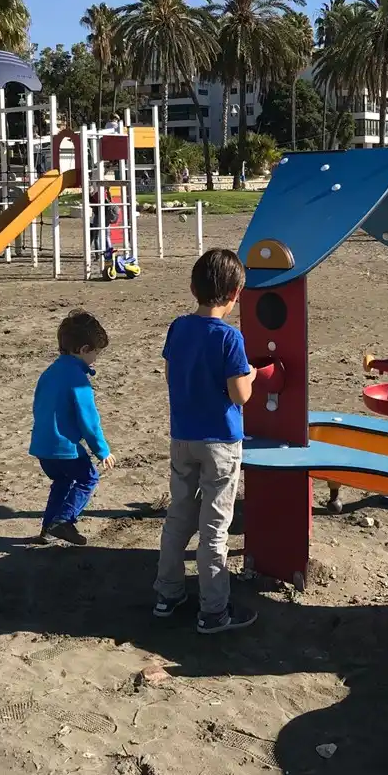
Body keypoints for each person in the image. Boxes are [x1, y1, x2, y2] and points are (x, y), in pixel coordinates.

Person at [153, 249, 258, 633]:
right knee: (215, 527)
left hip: (183, 436)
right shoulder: (231, 338)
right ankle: (213, 610)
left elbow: (170, 374)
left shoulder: (178, 327)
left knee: (178, 515)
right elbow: (239, 394)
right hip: (220, 443)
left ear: (193, 288)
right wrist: (252, 374)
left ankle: (168, 593)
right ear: (235, 295)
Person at [29, 310, 116, 545]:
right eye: (96, 353)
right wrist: (102, 450)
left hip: (42, 445)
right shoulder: (78, 379)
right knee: (88, 478)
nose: (96, 358)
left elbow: (38, 406)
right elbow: (89, 420)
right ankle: (64, 520)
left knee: (62, 481)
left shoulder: (49, 373)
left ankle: (48, 528)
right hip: (64, 447)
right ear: (84, 350)